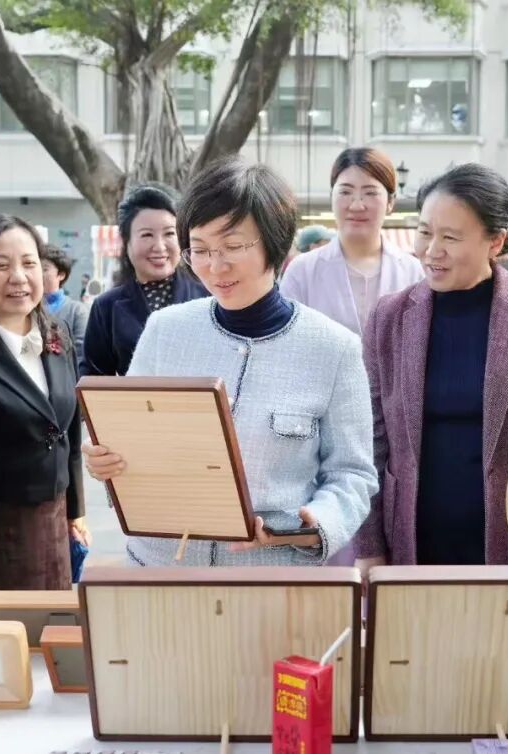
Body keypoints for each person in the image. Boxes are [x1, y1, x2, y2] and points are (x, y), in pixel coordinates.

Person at [83, 158, 377, 567]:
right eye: (200, 250)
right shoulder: (165, 330)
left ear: (274, 242)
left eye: (233, 247)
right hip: (161, 567)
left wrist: (314, 525)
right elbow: (130, 439)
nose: (215, 266)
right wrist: (106, 459)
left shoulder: (334, 349)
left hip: (270, 575)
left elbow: (352, 475)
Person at [354, 164, 508, 568]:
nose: (432, 250)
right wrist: (369, 548)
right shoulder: (389, 317)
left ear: (496, 242)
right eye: (424, 232)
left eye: (450, 237)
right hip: (412, 546)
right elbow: (371, 442)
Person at [0, 216, 89, 590]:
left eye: (29, 263)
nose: (19, 277)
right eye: (1, 265)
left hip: (54, 519)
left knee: (54, 620)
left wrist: (75, 511)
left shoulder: (55, 331)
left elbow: (67, 431)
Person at [281, 147, 424, 337]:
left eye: (370, 193)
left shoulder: (414, 273)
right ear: (332, 197)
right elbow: (287, 341)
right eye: (345, 192)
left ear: (390, 202)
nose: (357, 205)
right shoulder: (302, 272)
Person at [80, 184, 208, 377]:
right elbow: (93, 379)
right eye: (147, 235)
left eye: (169, 233)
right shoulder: (106, 307)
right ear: (126, 242)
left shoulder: (208, 296)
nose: (159, 246)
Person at [40, 244, 89, 357]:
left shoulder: (77, 311)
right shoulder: (27, 309)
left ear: (61, 275)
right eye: (36, 269)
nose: (39, 274)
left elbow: (80, 354)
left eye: (45, 269)